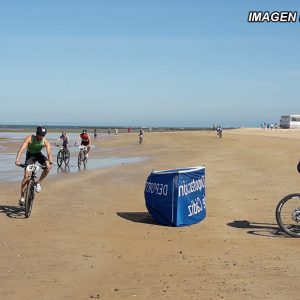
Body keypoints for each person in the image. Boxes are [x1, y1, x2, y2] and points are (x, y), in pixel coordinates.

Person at [15, 125, 53, 206]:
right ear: (36, 133)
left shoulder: (45, 141)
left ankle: (38, 183)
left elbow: (49, 152)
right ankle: (22, 197)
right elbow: (22, 149)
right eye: (40, 135)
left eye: (43, 135)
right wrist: (17, 159)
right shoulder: (30, 138)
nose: (41, 137)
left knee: (48, 168)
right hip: (30, 156)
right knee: (26, 176)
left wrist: (50, 162)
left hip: (39, 155)